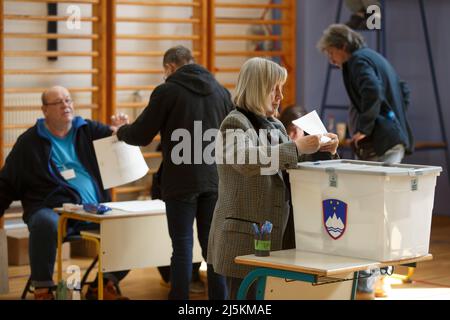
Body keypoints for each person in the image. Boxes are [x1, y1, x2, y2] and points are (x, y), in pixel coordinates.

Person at [207, 57, 339, 299]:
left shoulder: (275, 125)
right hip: (245, 239)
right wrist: (298, 147)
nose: (280, 96)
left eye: (281, 89)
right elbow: (246, 160)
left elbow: (287, 164)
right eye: (273, 89)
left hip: (275, 235)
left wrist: (323, 150)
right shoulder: (235, 123)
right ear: (257, 89)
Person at [117, 45, 233, 300]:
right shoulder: (221, 92)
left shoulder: (167, 91)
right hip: (214, 179)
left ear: (169, 67)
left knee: (181, 247)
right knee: (213, 249)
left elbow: (141, 134)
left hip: (180, 181)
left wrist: (121, 130)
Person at [0, 86, 130, 300]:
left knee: (132, 223)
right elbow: (6, 182)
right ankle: (42, 289)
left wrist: (121, 132)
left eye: (68, 100)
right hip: (51, 209)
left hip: (93, 211)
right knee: (44, 222)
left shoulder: (89, 129)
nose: (65, 105)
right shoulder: (29, 142)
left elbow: (118, 145)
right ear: (45, 110)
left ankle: (105, 283)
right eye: (58, 102)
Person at [317, 24, 414, 299]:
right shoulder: (374, 56)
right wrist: (392, 120)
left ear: (341, 46)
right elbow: (403, 90)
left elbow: (372, 90)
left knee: (373, 213)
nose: (331, 59)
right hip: (395, 140)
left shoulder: (358, 61)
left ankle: (367, 283)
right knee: (383, 212)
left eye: (330, 53)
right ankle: (381, 279)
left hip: (382, 143)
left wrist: (368, 127)